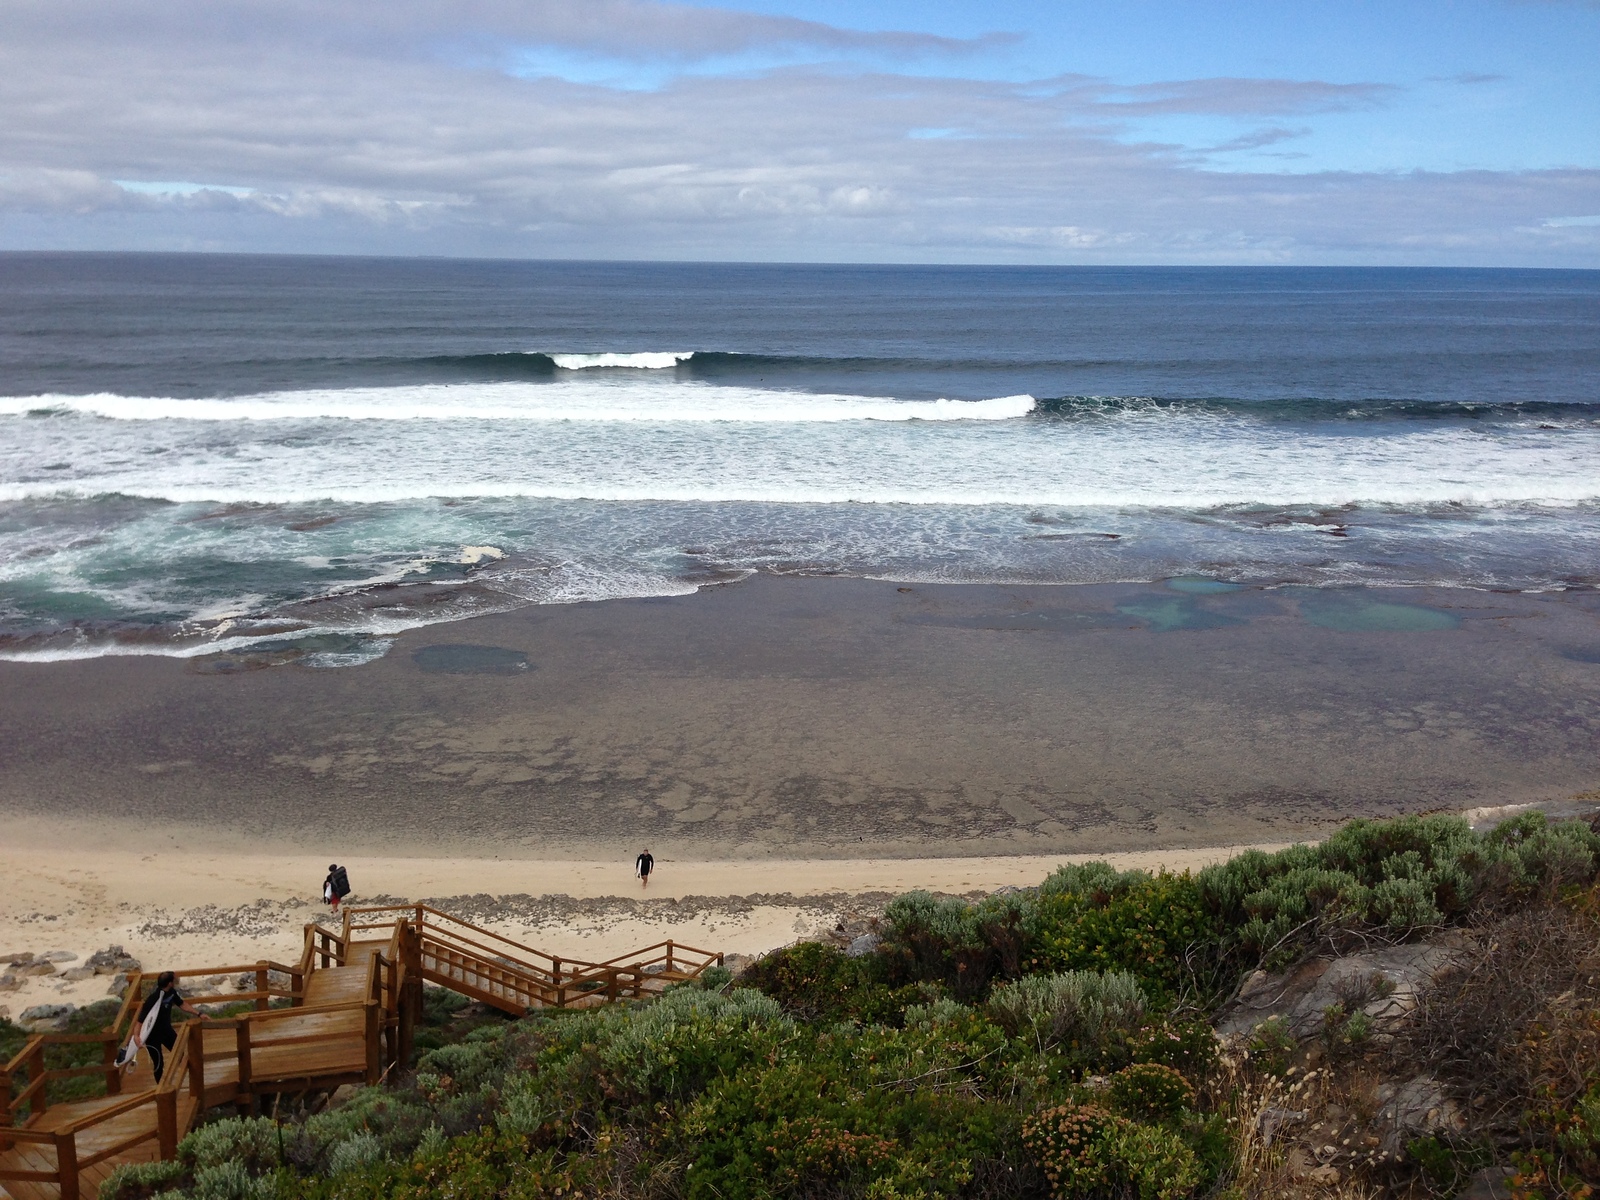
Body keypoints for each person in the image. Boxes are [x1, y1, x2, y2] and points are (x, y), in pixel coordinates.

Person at [114, 971, 208, 1082]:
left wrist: (199, 1014)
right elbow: (139, 1022)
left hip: (166, 1031)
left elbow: (182, 1004)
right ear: (169, 983)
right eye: (174, 979)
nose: (176, 980)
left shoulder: (172, 993)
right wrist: (136, 1036)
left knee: (179, 1053)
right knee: (158, 1062)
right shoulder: (152, 999)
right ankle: (160, 1087)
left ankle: (185, 1077)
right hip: (152, 1036)